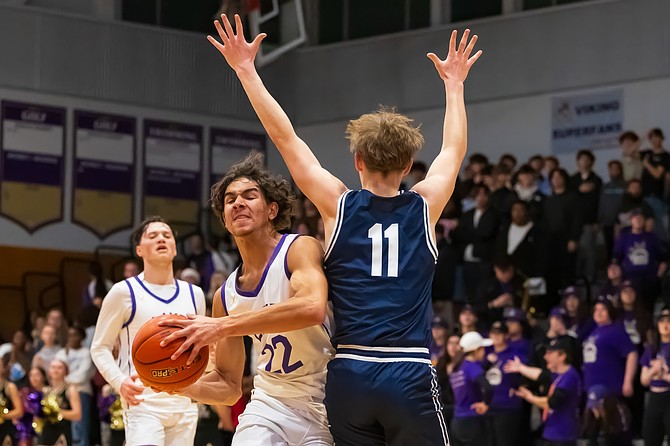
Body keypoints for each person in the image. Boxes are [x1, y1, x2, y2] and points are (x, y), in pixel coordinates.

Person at [203, 14, 481, 445]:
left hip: (349, 374)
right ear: (408, 166)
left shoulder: (337, 203)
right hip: (407, 368)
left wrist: (246, 71)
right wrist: (455, 85)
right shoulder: (425, 206)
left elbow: (286, 139)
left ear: (357, 162)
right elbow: (453, 148)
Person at [153, 153, 334, 445]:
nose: (238, 203)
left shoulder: (299, 249)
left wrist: (223, 326)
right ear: (224, 219)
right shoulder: (226, 295)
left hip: (326, 402)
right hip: (270, 404)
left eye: (250, 196)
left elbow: (311, 307)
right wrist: (173, 383)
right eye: (230, 200)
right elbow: (228, 386)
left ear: (272, 210)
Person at [90, 216, 207, 446]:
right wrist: (120, 382)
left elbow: (202, 349)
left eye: (167, 235)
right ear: (139, 250)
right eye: (152, 236)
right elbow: (99, 347)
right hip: (142, 402)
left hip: (185, 402)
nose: (161, 239)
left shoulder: (195, 294)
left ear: (174, 248)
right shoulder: (123, 292)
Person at [505, 337, 582, 446]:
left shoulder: (569, 377)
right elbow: (540, 375)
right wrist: (520, 368)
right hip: (554, 432)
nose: (545, 356)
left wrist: (529, 397)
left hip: (562, 434)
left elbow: (551, 403)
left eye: (550, 353)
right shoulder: (560, 375)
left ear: (562, 356)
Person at [582, 297, 638, 398]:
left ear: (610, 311)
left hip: (609, 386)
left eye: (603, 309)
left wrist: (628, 381)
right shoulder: (592, 332)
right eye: (596, 310)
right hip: (591, 386)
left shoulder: (616, 331)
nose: (599, 313)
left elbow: (632, 353)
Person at [483, 321, 525, 446]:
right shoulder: (486, 355)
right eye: (493, 333)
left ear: (506, 335)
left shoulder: (514, 355)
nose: (496, 336)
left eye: (500, 333)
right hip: (488, 407)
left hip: (507, 407)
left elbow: (521, 377)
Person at [449, 332, 493, 446]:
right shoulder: (471, 366)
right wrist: (485, 403)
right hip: (471, 421)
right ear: (476, 350)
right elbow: (488, 387)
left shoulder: (457, 367)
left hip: (457, 423)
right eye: (482, 348)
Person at [56, 325, 95, 446]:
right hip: (63, 393)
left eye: (76, 335)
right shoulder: (61, 353)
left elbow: (82, 377)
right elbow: (55, 373)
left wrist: (64, 379)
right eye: (70, 335)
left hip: (82, 392)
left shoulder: (86, 353)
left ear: (82, 337)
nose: (72, 338)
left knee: (80, 428)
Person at [639, 306, 670, 446]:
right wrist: (654, 370)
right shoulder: (651, 349)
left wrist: (662, 374)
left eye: (669, 321)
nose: (665, 324)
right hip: (654, 398)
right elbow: (644, 380)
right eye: (662, 321)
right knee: (650, 437)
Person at [38, 358, 82, 446]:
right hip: (46, 432)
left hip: (62, 433)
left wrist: (57, 412)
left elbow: (77, 415)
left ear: (65, 371)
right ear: (49, 371)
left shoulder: (70, 389)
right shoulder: (45, 390)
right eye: (53, 367)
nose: (56, 370)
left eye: (59, 368)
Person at [0, 353, 23, 445]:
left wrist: (2, 415)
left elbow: (19, 411)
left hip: (5, 430)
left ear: (3, 368)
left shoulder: (9, 387)